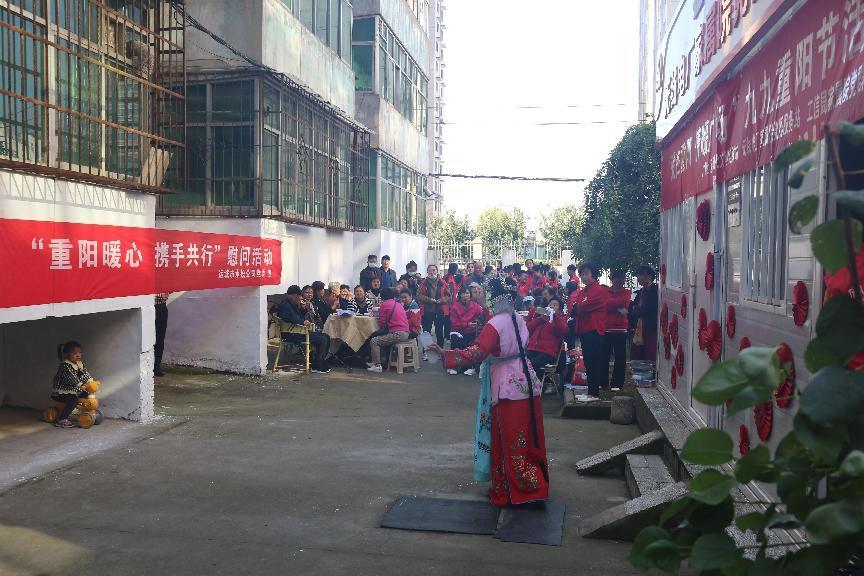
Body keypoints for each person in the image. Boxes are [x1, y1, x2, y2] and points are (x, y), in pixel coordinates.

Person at [427, 278, 549, 507]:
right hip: (527, 381)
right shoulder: (517, 319)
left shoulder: (495, 324)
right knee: (527, 435)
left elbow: (476, 352)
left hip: (506, 386)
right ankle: (529, 484)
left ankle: (514, 489)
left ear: (494, 301)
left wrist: (446, 354)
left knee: (507, 438)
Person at [571, 263, 608, 402]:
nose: (583, 276)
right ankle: (591, 392)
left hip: (594, 330)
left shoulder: (598, 290)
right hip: (585, 329)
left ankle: (594, 393)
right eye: (582, 274)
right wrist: (578, 306)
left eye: (586, 273)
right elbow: (576, 305)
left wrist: (578, 306)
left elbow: (582, 306)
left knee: (593, 362)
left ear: (593, 274)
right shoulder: (585, 290)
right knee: (588, 361)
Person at [278, 285, 331, 373]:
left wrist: (302, 309)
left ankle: (318, 362)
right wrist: (302, 322)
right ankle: (317, 365)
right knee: (323, 339)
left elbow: (299, 315)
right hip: (292, 334)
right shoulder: (285, 305)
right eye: (298, 296)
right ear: (293, 295)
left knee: (326, 336)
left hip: (298, 332)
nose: (299, 298)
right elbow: (287, 317)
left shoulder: (293, 304)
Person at [51, 341, 96, 428]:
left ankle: (85, 412)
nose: (78, 355)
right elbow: (71, 378)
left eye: (79, 353)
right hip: (61, 392)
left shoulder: (79, 363)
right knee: (73, 400)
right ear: (67, 354)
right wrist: (81, 385)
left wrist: (91, 381)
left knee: (86, 394)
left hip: (73, 390)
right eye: (74, 353)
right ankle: (62, 419)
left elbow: (84, 373)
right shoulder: (65, 365)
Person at [367, 288, 410, 373]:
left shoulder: (384, 305)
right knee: (380, 338)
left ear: (382, 297)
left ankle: (377, 366)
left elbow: (382, 323)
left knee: (374, 341)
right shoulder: (398, 304)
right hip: (406, 332)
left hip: (397, 334)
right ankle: (376, 361)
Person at [525, 299, 568, 379]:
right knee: (521, 362)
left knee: (532, 364)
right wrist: (539, 318)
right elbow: (528, 329)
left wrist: (554, 316)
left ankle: (535, 384)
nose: (551, 306)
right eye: (550, 304)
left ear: (560, 310)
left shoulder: (560, 320)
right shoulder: (541, 319)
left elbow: (563, 330)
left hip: (548, 353)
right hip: (532, 349)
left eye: (555, 305)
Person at [448, 287, 485, 376]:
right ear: (460, 295)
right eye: (463, 293)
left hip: (471, 331)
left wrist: (477, 322)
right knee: (457, 340)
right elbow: (454, 323)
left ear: (470, 295)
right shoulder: (455, 307)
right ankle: (454, 366)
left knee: (474, 342)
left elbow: (482, 316)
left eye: (467, 293)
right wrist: (467, 324)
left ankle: (469, 367)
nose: (465, 295)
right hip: (457, 331)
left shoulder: (475, 306)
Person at [605, 270, 632, 390]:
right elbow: (605, 304)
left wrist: (612, 306)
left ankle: (617, 384)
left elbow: (624, 305)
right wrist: (618, 307)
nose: (619, 280)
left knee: (620, 358)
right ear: (612, 279)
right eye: (616, 278)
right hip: (606, 329)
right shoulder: (605, 291)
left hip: (621, 329)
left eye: (621, 278)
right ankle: (603, 383)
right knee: (604, 357)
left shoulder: (627, 292)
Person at [630, 266, 659, 362]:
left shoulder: (655, 290)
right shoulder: (640, 292)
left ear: (649, 276)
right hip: (639, 325)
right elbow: (633, 307)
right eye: (638, 275)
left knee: (649, 352)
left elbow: (651, 309)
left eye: (641, 275)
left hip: (650, 326)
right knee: (638, 352)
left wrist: (638, 309)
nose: (638, 278)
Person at [418, 264, 449, 348]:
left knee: (439, 331)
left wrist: (442, 300)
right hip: (427, 310)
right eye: (430, 270)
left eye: (434, 270)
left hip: (439, 310)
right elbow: (419, 296)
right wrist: (429, 299)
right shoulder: (423, 282)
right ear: (427, 272)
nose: (432, 272)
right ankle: (426, 350)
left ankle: (440, 349)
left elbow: (448, 295)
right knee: (426, 331)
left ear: (437, 271)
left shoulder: (442, 282)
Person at [154, 293, 169, 377]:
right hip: (145, 305)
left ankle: (156, 367)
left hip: (160, 307)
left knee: (159, 338)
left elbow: (170, 287)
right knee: (144, 338)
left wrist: (167, 291)